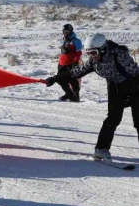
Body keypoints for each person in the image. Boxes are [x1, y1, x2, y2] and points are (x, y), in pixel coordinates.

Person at [45, 33, 139, 161]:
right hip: (115, 88)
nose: (91, 57)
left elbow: (135, 72)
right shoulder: (94, 63)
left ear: (103, 49)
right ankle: (101, 149)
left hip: (134, 87)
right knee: (112, 119)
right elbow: (75, 72)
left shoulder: (119, 56)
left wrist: (131, 97)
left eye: (93, 53)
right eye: (88, 53)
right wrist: (56, 78)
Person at [54, 24, 82, 102]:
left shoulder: (76, 41)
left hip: (71, 64)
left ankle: (76, 95)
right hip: (62, 63)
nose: (66, 33)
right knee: (60, 79)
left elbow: (78, 53)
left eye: (68, 31)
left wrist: (76, 62)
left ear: (71, 31)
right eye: (64, 31)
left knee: (73, 80)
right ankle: (68, 93)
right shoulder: (64, 39)